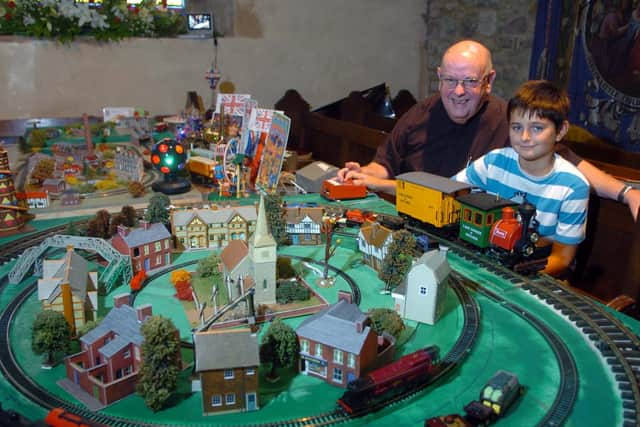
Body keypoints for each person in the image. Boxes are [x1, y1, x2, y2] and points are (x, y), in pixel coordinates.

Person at [336, 40, 640, 222]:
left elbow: (570, 162)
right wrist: (362, 173)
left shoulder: (509, 121)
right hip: (412, 218)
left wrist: (627, 193)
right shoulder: (421, 112)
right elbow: (386, 163)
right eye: (449, 80)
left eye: (469, 81)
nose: (457, 91)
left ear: (488, 81)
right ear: (439, 77)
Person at [452, 80, 589, 277]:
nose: (524, 137)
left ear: (560, 131)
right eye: (516, 127)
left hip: (537, 269)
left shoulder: (573, 186)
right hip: (487, 257)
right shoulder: (494, 162)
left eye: (537, 128)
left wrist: (516, 275)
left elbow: (562, 259)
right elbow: (448, 189)